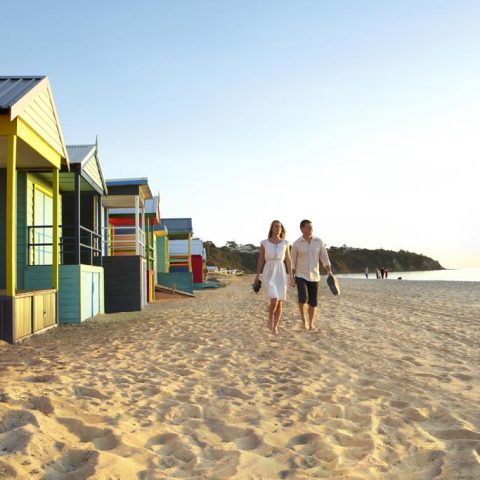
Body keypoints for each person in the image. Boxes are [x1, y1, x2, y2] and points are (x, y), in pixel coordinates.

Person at [291, 220, 332, 331]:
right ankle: (304, 321)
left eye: (311, 227)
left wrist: (329, 272)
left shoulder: (318, 241)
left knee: (313, 302)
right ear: (302, 228)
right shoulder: (296, 244)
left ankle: (311, 324)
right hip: (301, 275)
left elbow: (324, 258)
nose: (311, 229)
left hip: (315, 275)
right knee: (303, 298)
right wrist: (292, 277)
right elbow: (293, 261)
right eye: (308, 227)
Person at [254, 220, 293, 335]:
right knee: (274, 300)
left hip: (281, 272)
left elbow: (288, 260)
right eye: (276, 226)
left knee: (280, 302)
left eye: (280, 227)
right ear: (272, 228)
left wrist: (292, 276)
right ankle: (270, 318)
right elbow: (260, 259)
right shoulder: (264, 243)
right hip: (269, 271)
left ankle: (275, 326)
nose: (278, 228)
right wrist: (257, 275)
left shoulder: (285, 243)